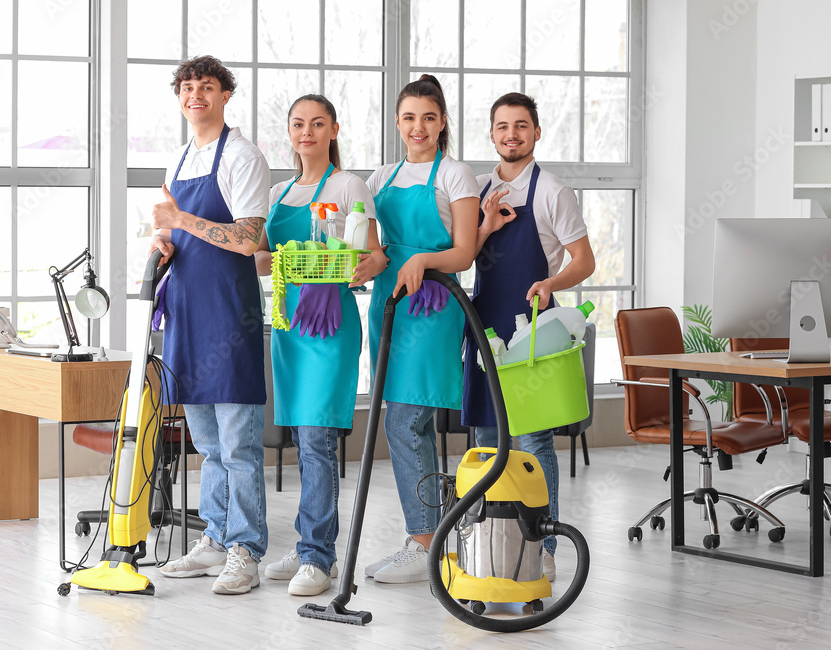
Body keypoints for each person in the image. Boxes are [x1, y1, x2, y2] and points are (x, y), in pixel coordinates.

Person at [253, 94, 387, 596]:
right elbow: (264, 259)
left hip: (330, 323)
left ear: (333, 129)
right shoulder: (278, 192)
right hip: (289, 323)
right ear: (288, 132)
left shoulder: (348, 185)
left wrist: (358, 268)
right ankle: (311, 542)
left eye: (317, 123)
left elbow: (373, 254)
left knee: (318, 439)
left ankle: (319, 555)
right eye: (297, 124)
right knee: (300, 439)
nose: (306, 131)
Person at [462, 92, 596, 583]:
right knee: (488, 437)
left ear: (536, 132)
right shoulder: (476, 190)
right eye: (502, 126)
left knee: (533, 441)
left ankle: (543, 543)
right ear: (491, 134)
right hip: (486, 326)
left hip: (535, 328)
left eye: (521, 126)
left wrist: (550, 284)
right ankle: (491, 543)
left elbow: (584, 260)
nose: (511, 135)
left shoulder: (552, 191)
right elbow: (462, 251)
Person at [150, 55, 271, 595]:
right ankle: (217, 538)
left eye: (207, 87)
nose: (195, 95)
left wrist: (181, 221)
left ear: (226, 95)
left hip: (228, 313)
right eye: (188, 87)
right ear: (179, 97)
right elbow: (182, 235)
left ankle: (246, 548)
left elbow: (247, 240)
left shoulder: (242, 156)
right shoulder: (178, 159)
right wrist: (164, 241)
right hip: (185, 314)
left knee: (239, 444)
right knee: (206, 443)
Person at [362, 75, 479, 584]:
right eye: (409, 117)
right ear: (397, 121)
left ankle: (425, 539)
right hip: (389, 301)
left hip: (433, 302)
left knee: (407, 419)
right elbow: (373, 245)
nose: (418, 127)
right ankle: (433, 536)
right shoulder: (380, 177)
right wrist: (367, 264)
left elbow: (465, 252)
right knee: (404, 420)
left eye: (429, 117)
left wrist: (425, 260)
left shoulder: (455, 174)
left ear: (443, 122)